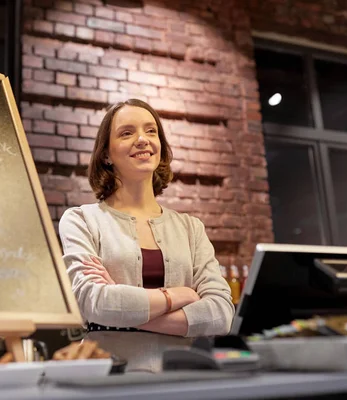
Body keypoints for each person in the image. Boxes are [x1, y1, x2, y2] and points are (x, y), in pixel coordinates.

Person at [58, 99, 234, 373]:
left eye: (151, 131)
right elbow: (94, 302)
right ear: (106, 154)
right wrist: (180, 295)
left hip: (185, 377)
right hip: (109, 376)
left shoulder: (190, 228)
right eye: (127, 133)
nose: (142, 140)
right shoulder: (81, 220)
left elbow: (221, 313)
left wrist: (128, 314)